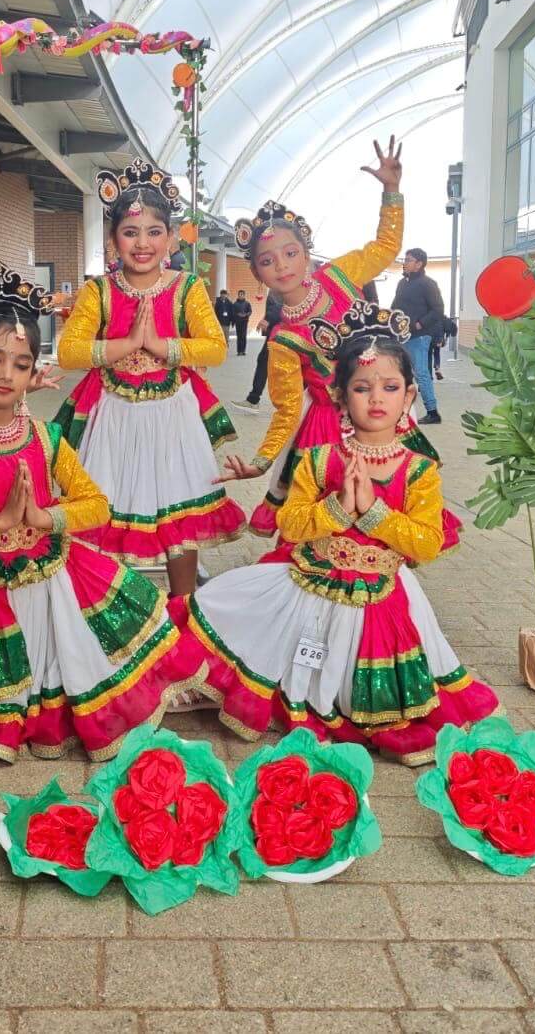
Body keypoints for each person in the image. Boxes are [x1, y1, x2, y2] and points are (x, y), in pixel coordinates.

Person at [0, 264, 204, 762]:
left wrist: (43, 520)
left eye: (19, 364)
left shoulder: (45, 437)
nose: (5, 375)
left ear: (32, 372)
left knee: (70, 675)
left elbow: (97, 507)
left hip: (52, 575)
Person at [180, 301, 498, 764]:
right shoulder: (318, 459)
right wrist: (337, 506)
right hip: (314, 578)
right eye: (362, 387)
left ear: (409, 396)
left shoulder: (418, 471)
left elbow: (426, 544)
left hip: (382, 595)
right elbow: (291, 526)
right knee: (218, 608)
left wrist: (370, 511)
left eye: (390, 387)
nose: (376, 398)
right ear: (340, 396)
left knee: (363, 689)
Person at [217, 135, 439, 537]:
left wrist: (392, 191)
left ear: (306, 251)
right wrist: (262, 462)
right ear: (256, 273)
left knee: (388, 513)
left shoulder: (339, 274)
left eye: (290, 253)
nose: (282, 266)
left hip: (378, 410)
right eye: (267, 261)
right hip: (324, 430)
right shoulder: (284, 339)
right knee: (325, 526)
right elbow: (286, 411)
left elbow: (386, 246)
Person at [53, 158, 245, 596]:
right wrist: (124, 347)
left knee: (178, 501)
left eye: (154, 232)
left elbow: (214, 347)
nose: (143, 243)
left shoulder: (188, 287)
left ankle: (184, 606)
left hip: (173, 411)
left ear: (172, 238)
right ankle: (109, 602)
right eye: (130, 232)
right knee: (109, 499)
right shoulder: (98, 291)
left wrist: (159, 346)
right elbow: (68, 351)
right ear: (112, 240)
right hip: (112, 412)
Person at [390, 248, 445, 425]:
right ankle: (401, 410)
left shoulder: (428, 284)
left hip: (420, 336)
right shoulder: (402, 283)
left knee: (422, 373)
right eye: (404, 259)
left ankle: (433, 412)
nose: (404, 262)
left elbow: (438, 310)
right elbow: (395, 307)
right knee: (402, 374)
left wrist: (419, 324)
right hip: (402, 337)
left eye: (408, 259)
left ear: (419, 264)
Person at [237, 292, 282, 412]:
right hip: (277, 332)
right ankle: (253, 399)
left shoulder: (279, 284)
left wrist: (268, 319)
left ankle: (254, 399)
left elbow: (280, 306)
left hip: (281, 333)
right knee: (264, 362)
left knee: (266, 363)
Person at [231, 289, 252, 355]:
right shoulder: (235, 304)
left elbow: (250, 311)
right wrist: (238, 314)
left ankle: (243, 351)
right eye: (239, 294)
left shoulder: (247, 303)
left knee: (243, 336)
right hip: (238, 322)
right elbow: (233, 312)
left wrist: (246, 314)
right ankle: (239, 351)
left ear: (244, 295)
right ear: (238, 295)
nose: (240, 296)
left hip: (244, 322)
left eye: (242, 294)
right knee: (239, 336)